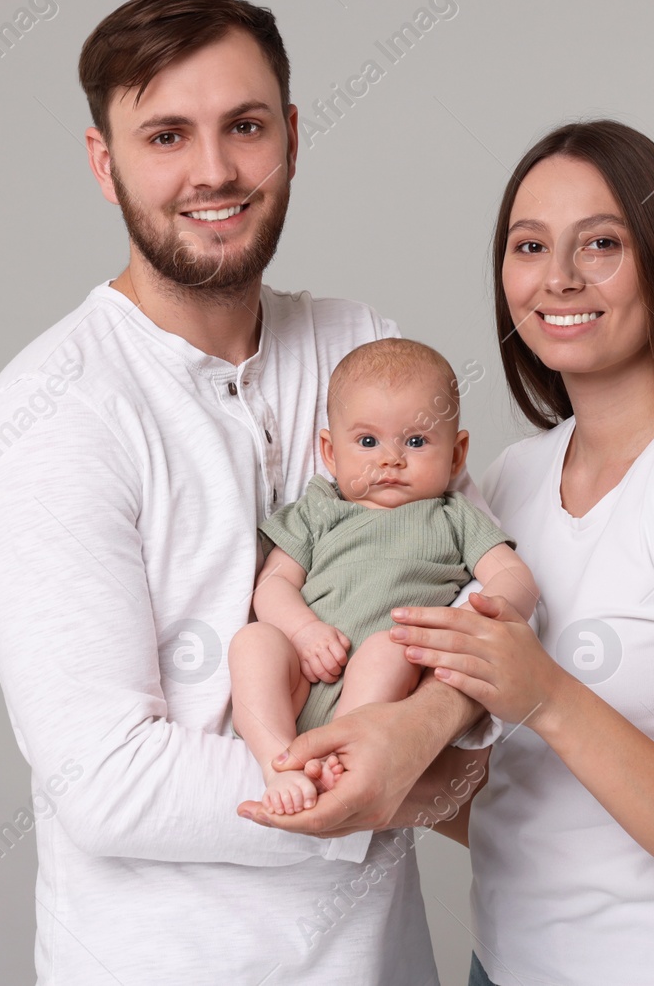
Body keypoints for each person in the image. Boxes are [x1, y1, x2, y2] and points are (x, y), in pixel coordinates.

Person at [0, 0, 505, 985]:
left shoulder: (363, 350)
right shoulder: (49, 413)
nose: (212, 170)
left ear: (290, 137)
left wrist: (420, 730)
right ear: (103, 162)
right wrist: (380, 784)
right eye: (165, 134)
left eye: (243, 127)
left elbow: (489, 627)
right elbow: (108, 779)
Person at [351, 120, 654, 985]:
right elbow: (519, 800)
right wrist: (396, 772)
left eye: (601, 243)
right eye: (530, 245)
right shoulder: (507, 483)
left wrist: (549, 695)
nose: (559, 276)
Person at [230, 338, 539, 816]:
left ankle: (347, 751)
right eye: (368, 442)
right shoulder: (319, 509)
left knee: (390, 644)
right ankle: (280, 764)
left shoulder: (452, 516)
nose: (391, 459)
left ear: (456, 456)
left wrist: (473, 623)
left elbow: (516, 581)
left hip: (381, 693)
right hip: (301, 676)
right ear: (331, 454)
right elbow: (272, 585)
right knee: (252, 642)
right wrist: (303, 631)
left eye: (416, 442)